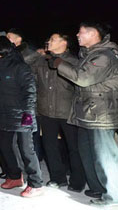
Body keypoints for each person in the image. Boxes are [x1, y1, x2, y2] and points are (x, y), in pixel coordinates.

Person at [49, 22, 118, 206]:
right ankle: (98, 187)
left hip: (101, 114)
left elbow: (83, 78)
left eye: (81, 32)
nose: (77, 35)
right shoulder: (89, 55)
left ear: (94, 34)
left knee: (105, 157)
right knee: (87, 154)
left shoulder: (105, 56)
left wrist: (60, 64)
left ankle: (114, 197)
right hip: (87, 113)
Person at [0, 36, 43, 198]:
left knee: (26, 150)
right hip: (5, 115)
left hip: (21, 116)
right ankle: (14, 177)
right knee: (5, 146)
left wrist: (28, 114)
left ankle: (36, 183)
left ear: (2, 49)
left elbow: (30, 92)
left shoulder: (20, 67)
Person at [33, 33, 86, 191]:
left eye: (53, 39)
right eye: (48, 39)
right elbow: (32, 78)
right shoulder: (41, 61)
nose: (49, 42)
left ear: (65, 42)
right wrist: (37, 54)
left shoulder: (74, 62)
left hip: (68, 112)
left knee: (74, 148)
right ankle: (58, 178)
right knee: (50, 147)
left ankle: (77, 181)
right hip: (46, 111)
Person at [7, 28, 44, 162]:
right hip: (14, 100)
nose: (7, 39)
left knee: (30, 133)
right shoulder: (10, 54)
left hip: (28, 100)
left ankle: (35, 160)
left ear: (18, 39)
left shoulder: (30, 54)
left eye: (9, 37)